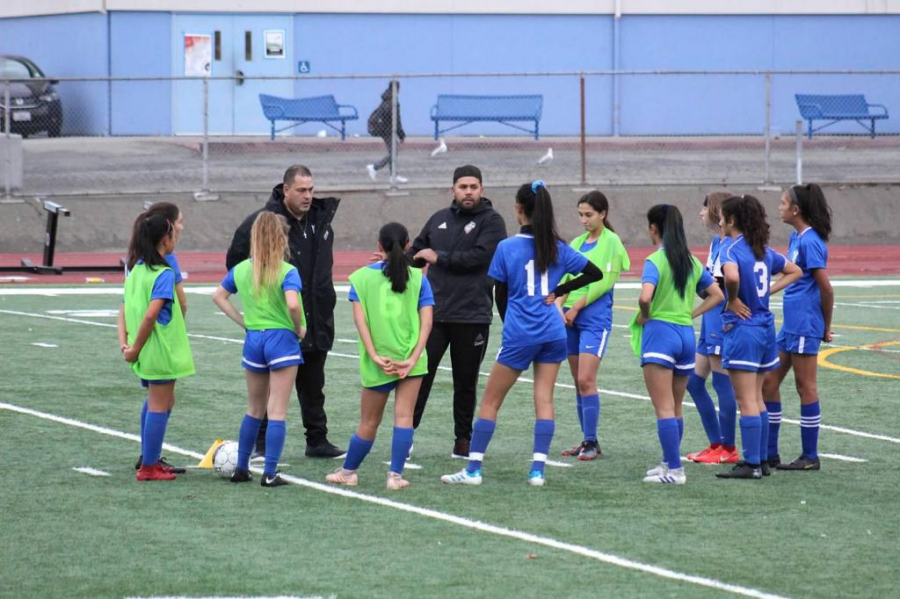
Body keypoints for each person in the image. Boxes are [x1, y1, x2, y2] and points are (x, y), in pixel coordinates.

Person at [441, 180, 602, 487]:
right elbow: (594, 273)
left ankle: (473, 470)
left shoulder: (507, 247)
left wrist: (512, 321)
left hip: (521, 334)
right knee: (544, 399)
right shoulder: (559, 247)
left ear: (518, 210)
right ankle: (538, 471)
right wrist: (559, 291)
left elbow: (498, 291)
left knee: (490, 401)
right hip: (553, 333)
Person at [226, 165, 344, 459]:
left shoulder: (321, 219)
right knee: (269, 390)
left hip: (316, 315)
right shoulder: (264, 223)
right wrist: (261, 298)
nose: (308, 196)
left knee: (314, 384)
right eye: (302, 190)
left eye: (311, 190)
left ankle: (317, 440)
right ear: (286, 189)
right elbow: (236, 261)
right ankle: (261, 445)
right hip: (279, 320)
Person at [408, 165, 507, 459]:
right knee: (420, 376)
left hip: (472, 315)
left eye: (473, 186)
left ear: (482, 189)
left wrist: (438, 258)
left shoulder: (492, 221)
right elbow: (416, 252)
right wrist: (393, 263)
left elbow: (480, 258)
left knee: (465, 382)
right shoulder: (438, 219)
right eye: (462, 187)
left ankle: (462, 440)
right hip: (434, 316)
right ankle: (406, 433)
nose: (468, 192)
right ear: (452, 189)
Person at [326, 223, 434, 489]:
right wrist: (413, 358)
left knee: (369, 421)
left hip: (380, 362)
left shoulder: (361, 278)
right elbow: (427, 323)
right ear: (408, 245)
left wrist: (374, 355)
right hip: (411, 360)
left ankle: (349, 472)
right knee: (404, 418)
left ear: (378, 246)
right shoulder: (419, 278)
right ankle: (395, 476)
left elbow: (360, 322)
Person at [213, 212, 306, 488]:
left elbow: (218, 296)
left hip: (254, 340)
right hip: (281, 340)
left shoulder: (242, 269)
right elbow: (292, 304)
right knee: (276, 409)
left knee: (254, 408)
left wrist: (244, 322)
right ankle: (269, 472)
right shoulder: (287, 271)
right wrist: (298, 327)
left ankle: (241, 468)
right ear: (281, 238)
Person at [635, 204, 724, 485]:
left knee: (663, 407)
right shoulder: (692, 261)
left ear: (653, 229)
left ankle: (675, 469)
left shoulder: (655, 261)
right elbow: (717, 295)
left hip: (661, 335)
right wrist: (691, 314)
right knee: (675, 406)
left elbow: (645, 298)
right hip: (686, 336)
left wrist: (645, 317)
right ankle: (667, 462)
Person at [716, 195, 801, 480]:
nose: (718, 221)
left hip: (743, 328)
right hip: (765, 326)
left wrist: (732, 299)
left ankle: (751, 463)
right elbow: (795, 271)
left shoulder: (730, 248)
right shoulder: (762, 249)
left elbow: (730, 277)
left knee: (746, 398)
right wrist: (768, 293)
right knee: (758, 397)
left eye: (721, 217)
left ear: (731, 221)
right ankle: (762, 459)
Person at [118, 209, 195, 481]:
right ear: (165, 238)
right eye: (174, 232)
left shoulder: (136, 269)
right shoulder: (163, 272)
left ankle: (149, 458)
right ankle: (149, 466)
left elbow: (123, 308)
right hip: (159, 350)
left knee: (158, 401)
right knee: (159, 405)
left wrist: (125, 344)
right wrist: (136, 347)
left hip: (144, 349)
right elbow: (152, 314)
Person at [763, 184, 834, 471]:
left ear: (796, 209)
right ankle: (770, 452)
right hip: (791, 325)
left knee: (805, 387)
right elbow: (791, 274)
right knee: (769, 382)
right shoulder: (796, 237)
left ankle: (810, 456)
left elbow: (826, 289)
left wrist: (825, 327)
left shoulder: (810, 241)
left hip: (805, 324)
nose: (779, 207)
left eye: (783, 203)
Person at [556, 191, 630, 460]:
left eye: (589, 215)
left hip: (593, 319)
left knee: (587, 379)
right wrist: (558, 306)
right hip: (569, 319)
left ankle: (590, 440)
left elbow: (604, 282)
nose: (584, 220)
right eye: (581, 215)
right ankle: (588, 440)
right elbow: (564, 277)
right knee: (578, 382)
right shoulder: (576, 243)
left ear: (603, 214)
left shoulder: (611, 242)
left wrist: (576, 306)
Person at [685, 191, 740, 465]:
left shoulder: (731, 244)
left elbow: (721, 288)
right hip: (710, 319)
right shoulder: (715, 243)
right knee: (694, 382)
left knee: (722, 382)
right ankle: (716, 443)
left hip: (720, 319)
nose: (700, 213)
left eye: (704, 208)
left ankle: (728, 448)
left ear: (717, 212)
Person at [366, 81, 407, 184]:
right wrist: (401, 135)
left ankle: (393, 176)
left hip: (384, 128)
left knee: (393, 152)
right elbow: (397, 120)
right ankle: (374, 167)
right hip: (387, 130)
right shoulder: (393, 101)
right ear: (397, 89)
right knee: (394, 152)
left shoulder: (386, 98)